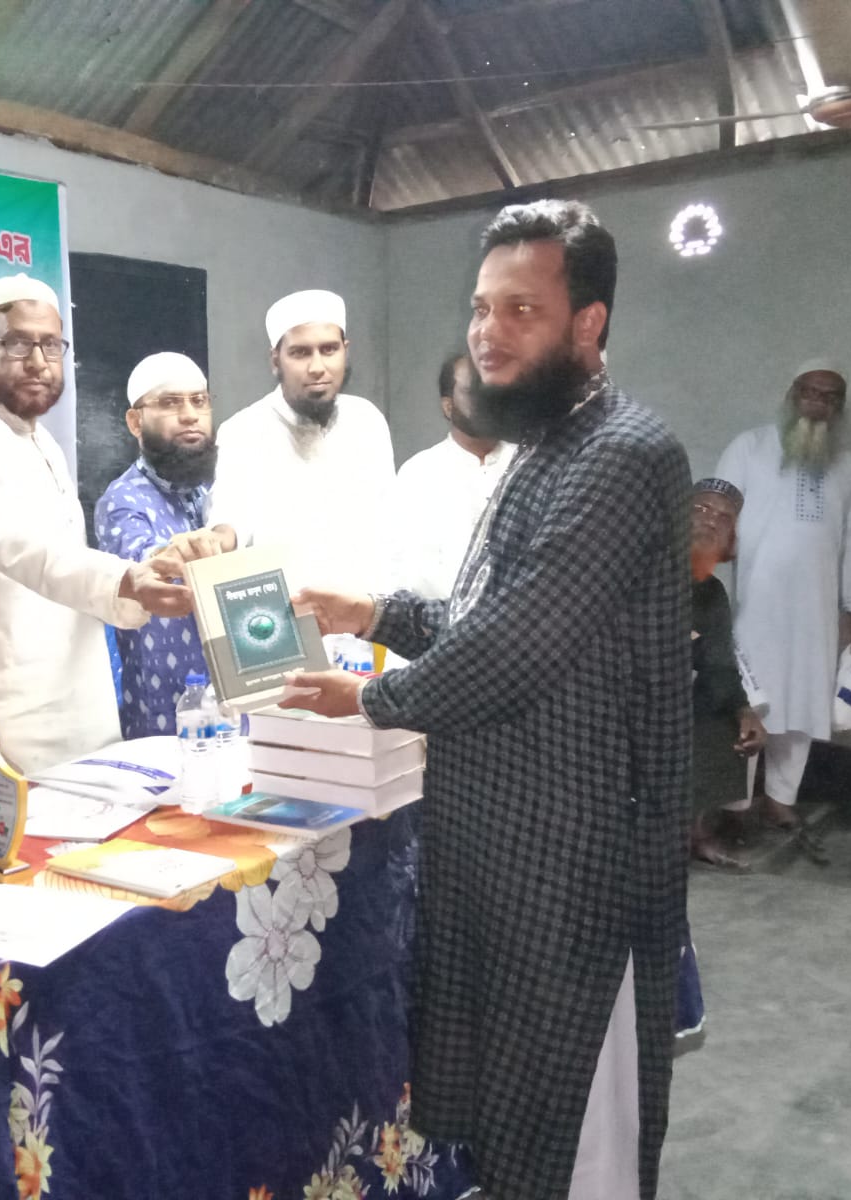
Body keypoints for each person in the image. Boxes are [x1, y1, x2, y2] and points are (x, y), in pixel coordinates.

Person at [275, 201, 691, 1200]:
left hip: (580, 857)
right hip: (507, 841)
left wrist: (368, 698)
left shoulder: (624, 451)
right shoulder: (543, 446)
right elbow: (480, 612)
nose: (488, 332)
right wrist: (375, 611)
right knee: (514, 1116)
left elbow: (519, 640)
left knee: (575, 1123)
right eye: (480, 307)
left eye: (521, 309)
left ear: (588, 322)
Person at [0, 275, 190, 773]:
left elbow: (68, 558)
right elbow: (27, 550)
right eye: (18, 343)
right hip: (13, 708)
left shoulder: (42, 441)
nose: (38, 362)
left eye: (51, 345)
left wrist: (154, 563)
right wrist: (127, 579)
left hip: (80, 693)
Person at [713, 360, 851, 828]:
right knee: (750, 700)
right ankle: (735, 803)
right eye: (810, 391)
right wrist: (702, 576)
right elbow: (714, 513)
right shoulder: (749, 447)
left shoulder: (846, 466)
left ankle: (781, 797)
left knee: (804, 699)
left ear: (839, 407)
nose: (818, 402)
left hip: (816, 609)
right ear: (792, 394)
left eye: (830, 396)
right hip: (755, 605)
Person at [187, 289, 396, 593]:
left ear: (345, 350)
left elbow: (389, 527)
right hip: (286, 616)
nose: (317, 367)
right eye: (300, 353)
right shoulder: (244, 431)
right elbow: (231, 516)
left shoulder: (367, 421)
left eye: (329, 349)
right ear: (276, 359)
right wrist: (217, 539)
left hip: (365, 614)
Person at [94, 352, 215, 737]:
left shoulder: (214, 493)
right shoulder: (123, 501)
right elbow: (142, 563)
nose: (190, 415)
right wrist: (169, 555)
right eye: (170, 403)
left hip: (226, 701)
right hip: (161, 706)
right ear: (135, 422)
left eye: (199, 401)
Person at [688, 478, 766, 868]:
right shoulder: (646, 571)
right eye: (701, 509)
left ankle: (696, 832)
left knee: (727, 719)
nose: (711, 521)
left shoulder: (711, 592)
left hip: (674, 691)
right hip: (621, 691)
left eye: (724, 518)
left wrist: (744, 710)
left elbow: (718, 662)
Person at [392, 352, 516, 599]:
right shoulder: (419, 473)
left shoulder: (526, 462)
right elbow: (409, 570)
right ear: (448, 407)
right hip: (442, 616)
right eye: (472, 391)